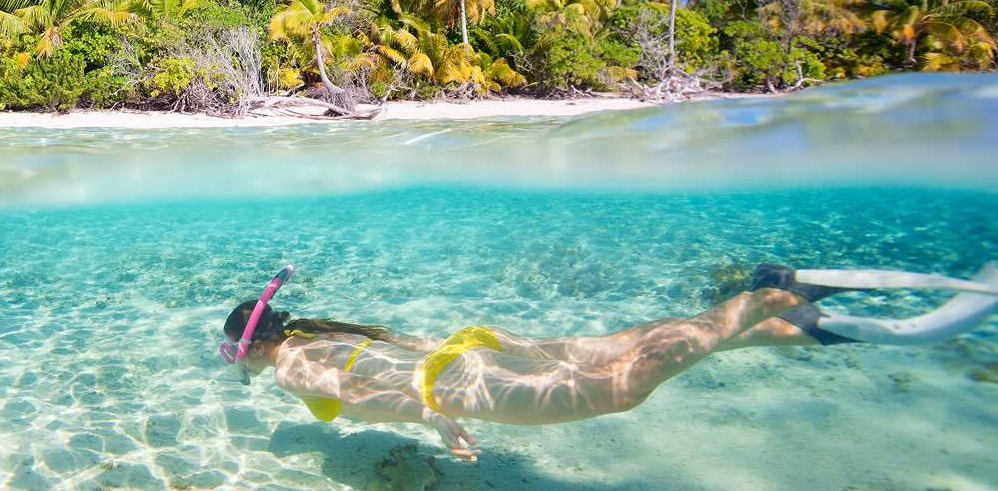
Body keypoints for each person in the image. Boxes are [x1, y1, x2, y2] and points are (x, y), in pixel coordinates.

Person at [218, 263, 998, 462]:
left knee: (620, 389)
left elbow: (368, 398)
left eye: (231, 350)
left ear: (253, 344)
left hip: (459, 378)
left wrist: (439, 423)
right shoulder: (325, 330)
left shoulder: (292, 368)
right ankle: (814, 327)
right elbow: (394, 355)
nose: (233, 361)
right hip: (474, 346)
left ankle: (757, 299)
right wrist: (505, 350)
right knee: (627, 347)